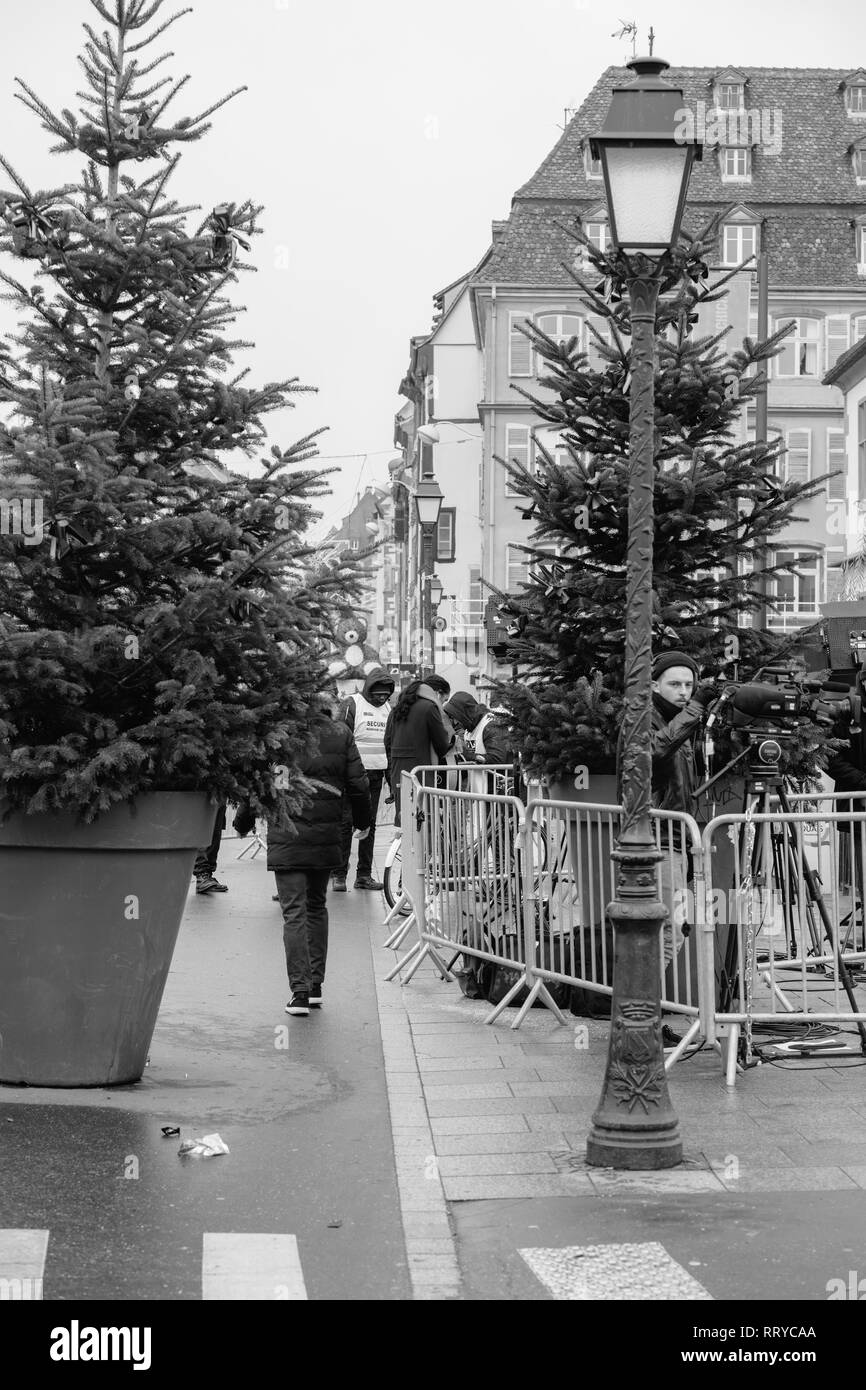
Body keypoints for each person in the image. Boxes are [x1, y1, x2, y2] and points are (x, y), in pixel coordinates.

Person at [234, 712, 371, 1017]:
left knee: (293, 911)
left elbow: (261, 783)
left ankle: (300, 992)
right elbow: (358, 783)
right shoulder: (341, 732)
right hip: (325, 834)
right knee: (315, 906)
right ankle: (316, 986)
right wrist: (364, 821)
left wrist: (243, 822)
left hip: (287, 834)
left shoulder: (279, 732)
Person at [628, 651, 717, 1042]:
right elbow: (654, 751)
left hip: (675, 840)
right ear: (654, 685)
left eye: (689, 685)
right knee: (662, 934)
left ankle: (640, 1017)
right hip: (655, 840)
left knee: (673, 932)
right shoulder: (646, 717)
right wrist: (696, 708)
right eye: (675, 684)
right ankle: (638, 1021)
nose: (684, 692)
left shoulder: (681, 720)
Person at [332, 667, 395, 893]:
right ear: (369, 690)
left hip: (376, 775)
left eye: (385, 694)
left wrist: (392, 782)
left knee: (369, 825)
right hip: (352, 776)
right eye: (378, 694)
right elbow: (339, 738)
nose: (381, 698)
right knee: (346, 823)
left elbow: (389, 747)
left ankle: (364, 875)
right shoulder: (352, 703)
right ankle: (339, 874)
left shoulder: (388, 709)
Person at [385, 674, 453, 827]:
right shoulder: (429, 707)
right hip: (421, 774)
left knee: (405, 824)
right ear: (437, 693)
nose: (443, 703)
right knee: (423, 824)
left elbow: (387, 742)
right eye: (444, 699)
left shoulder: (397, 708)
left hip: (399, 775)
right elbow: (442, 745)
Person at [193, 802, 228, 894]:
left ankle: (206, 875)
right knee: (205, 826)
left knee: (215, 830)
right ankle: (202, 874)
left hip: (221, 794)